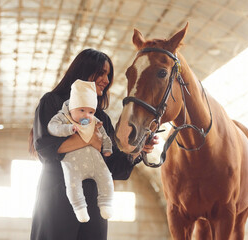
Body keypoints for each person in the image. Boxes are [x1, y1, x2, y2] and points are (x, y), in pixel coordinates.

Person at [29, 48, 158, 240]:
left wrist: (137, 150)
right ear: (83, 70)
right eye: (102, 72)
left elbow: (115, 166)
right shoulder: (52, 102)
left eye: (108, 75)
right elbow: (45, 149)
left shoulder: (101, 118)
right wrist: (89, 140)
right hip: (57, 196)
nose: (107, 80)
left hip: (94, 202)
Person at [47, 80, 114, 223]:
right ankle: (79, 208)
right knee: (72, 184)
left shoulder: (95, 121)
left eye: (90, 112)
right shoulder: (64, 118)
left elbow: (106, 138)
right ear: (71, 108)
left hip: (95, 161)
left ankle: (106, 202)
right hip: (73, 163)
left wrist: (107, 148)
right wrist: (68, 129)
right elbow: (52, 127)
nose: (86, 116)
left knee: (106, 177)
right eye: (82, 110)